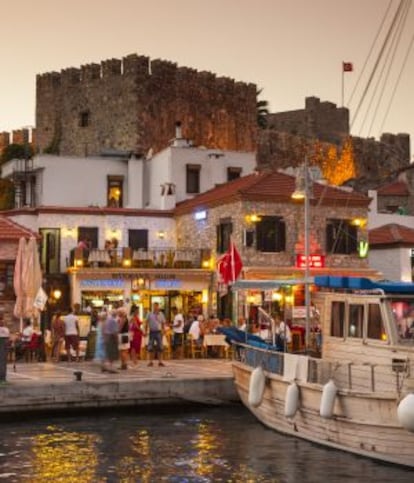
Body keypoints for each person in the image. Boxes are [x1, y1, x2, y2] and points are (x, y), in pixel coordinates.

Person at [145, 302, 166, 367]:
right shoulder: (149, 314)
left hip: (159, 332)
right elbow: (146, 322)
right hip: (152, 331)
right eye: (154, 306)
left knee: (160, 347)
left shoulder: (161, 314)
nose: (155, 307)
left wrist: (163, 330)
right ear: (152, 307)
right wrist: (146, 331)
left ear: (158, 307)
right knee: (150, 347)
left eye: (156, 306)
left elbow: (163, 323)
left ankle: (160, 361)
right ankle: (150, 361)